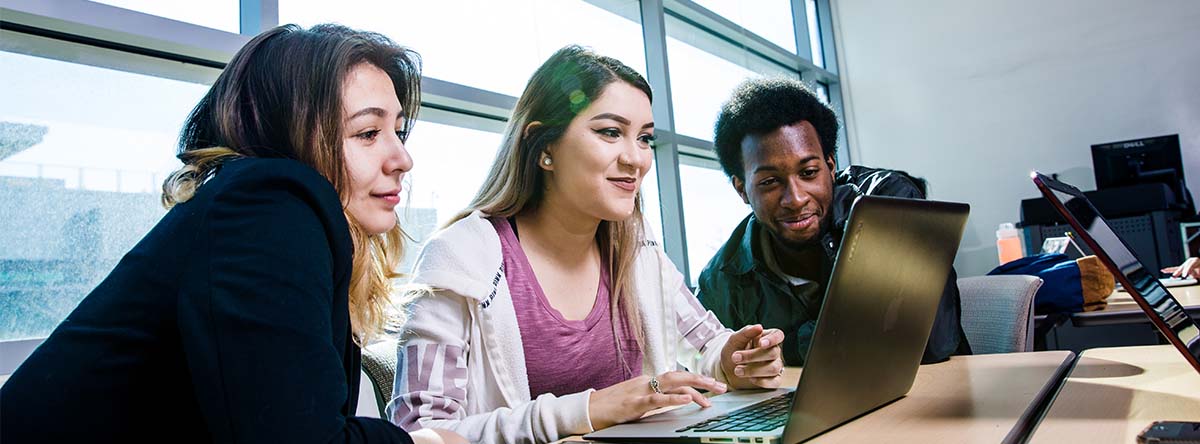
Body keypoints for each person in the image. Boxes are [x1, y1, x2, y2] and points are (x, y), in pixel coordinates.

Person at [0, 24, 460, 444]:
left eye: (397, 131)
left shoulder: (259, 210)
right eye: (367, 132)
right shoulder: (272, 204)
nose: (402, 158)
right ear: (291, 135)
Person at [388, 45, 786, 443]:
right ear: (544, 147)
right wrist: (588, 410)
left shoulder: (635, 244)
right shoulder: (461, 258)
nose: (636, 159)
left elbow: (706, 346)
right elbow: (420, 434)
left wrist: (736, 361)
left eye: (644, 138)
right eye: (610, 132)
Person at [695, 77, 971, 367]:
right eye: (770, 182)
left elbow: (930, 339)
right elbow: (705, 374)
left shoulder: (889, 202)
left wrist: (785, 346)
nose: (796, 198)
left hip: (938, 398)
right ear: (742, 189)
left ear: (830, 166)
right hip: (805, 411)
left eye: (809, 172)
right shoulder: (722, 278)